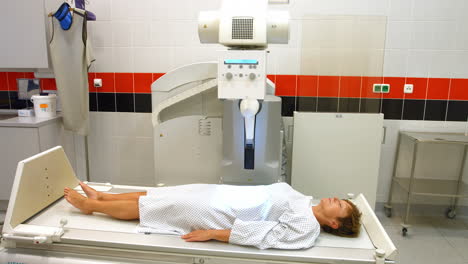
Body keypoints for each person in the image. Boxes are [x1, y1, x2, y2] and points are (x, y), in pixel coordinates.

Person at [64, 182, 361, 250]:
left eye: (341, 206)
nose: (337, 200)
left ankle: (93, 207)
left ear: (334, 223)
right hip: (223, 195)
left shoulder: (308, 227)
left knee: (160, 208)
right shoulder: (304, 201)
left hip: (221, 212)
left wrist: (213, 234)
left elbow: (265, 236)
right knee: (165, 194)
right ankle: (104, 197)